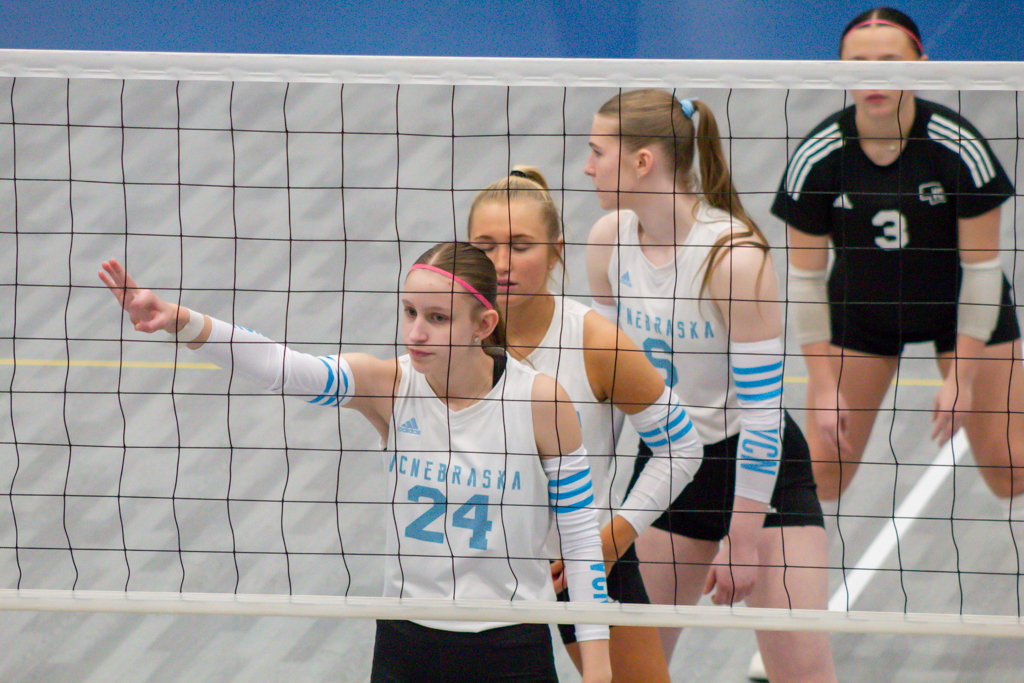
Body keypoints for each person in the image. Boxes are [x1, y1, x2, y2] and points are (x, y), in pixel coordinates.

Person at [98, 243, 613, 683]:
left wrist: (598, 667)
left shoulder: (540, 402)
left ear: (484, 324)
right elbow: (283, 369)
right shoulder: (388, 386)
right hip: (406, 639)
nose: (416, 333)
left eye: (437, 318)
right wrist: (180, 321)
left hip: (510, 645)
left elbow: (582, 538)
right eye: (410, 312)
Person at [585, 89, 838, 682]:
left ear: (642, 161)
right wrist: (586, 505)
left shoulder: (733, 257)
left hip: (756, 474)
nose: (589, 166)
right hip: (667, 467)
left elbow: (763, 416)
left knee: (803, 676)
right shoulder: (607, 244)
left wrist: (744, 537)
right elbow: (615, 389)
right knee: (632, 675)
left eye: (597, 152)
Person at [771, 7, 1024, 502]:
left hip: (960, 311)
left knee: (1010, 472)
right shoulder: (817, 158)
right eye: (859, 62)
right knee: (820, 477)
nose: (875, 76)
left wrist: (963, 379)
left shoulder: (958, 148)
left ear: (920, 64)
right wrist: (823, 387)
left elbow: (981, 273)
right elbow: (803, 282)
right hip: (862, 316)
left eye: (890, 60)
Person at [466, 167, 705, 683]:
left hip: (581, 564)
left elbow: (683, 447)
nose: (501, 263)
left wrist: (614, 537)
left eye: (521, 246)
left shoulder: (594, 342)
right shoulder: (453, 342)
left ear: (556, 250)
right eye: (485, 247)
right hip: (484, 572)